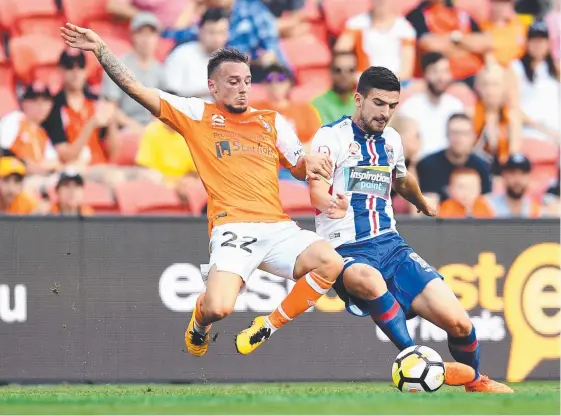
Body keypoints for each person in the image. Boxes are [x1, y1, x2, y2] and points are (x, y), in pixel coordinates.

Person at [60, 24, 343, 357]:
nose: (243, 89)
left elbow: (297, 166)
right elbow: (135, 87)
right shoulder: (197, 114)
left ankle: (266, 325)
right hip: (233, 228)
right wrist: (101, 50)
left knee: (331, 262)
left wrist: (310, 163)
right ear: (212, 86)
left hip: (277, 227)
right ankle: (199, 321)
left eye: (247, 82)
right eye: (233, 82)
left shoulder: (273, 121)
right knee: (219, 308)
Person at [309, 66, 513, 393]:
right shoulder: (331, 137)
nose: (385, 113)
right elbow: (315, 183)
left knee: (460, 322)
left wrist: (420, 201)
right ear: (358, 99)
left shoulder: (391, 140)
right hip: (346, 250)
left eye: (392, 106)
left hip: (392, 247)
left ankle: (475, 383)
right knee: (369, 279)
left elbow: (401, 180)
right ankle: (412, 355)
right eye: (378, 103)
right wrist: (326, 200)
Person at [102, 12, 167, 130]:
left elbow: (165, 108)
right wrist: (136, 128)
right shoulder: (117, 66)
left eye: (151, 33)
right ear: (132, 36)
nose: (146, 39)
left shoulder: (160, 70)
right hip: (124, 128)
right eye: (141, 33)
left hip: (153, 129)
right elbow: (110, 107)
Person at [405, 0, 492, 85]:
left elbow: (486, 42)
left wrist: (455, 38)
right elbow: (430, 45)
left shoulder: (461, 13)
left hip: (475, 75)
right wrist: (467, 46)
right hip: (443, 79)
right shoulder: (417, 15)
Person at [398, 53, 465, 159]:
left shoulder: (456, 106)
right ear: (425, 74)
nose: (441, 77)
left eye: (445, 71)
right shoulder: (410, 107)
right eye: (435, 71)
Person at [417, 113, 491, 202]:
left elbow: (486, 203)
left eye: (465, 133)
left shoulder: (482, 166)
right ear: (447, 134)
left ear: (473, 136)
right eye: (454, 133)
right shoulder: (428, 165)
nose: (459, 138)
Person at [335, 0, 416, 82]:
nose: (381, 2)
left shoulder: (404, 29)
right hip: (362, 82)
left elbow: (406, 72)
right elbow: (340, 52)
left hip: (394, 84)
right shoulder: (356, 24)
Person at [164, 8, 230, 101]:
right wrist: (209, 92)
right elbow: (169, 95)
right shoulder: (182, 54)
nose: (217, 39)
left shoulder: (230, 60)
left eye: (221, 33)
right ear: (200, 31)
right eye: (212, 32)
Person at [253, 64, 322, 151]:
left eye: (280, 79)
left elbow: (318, 139)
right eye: (269, 79)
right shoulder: (254, 110)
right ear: (263, 84)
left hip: (302, 157)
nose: (275, 84)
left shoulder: (306, 109)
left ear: (289, 83)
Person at [510, 21, 560, 141]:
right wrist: (540, 127)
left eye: (542, 40)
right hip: (528, 131)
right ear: (527, 43)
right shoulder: (516, 68)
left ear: (548, 44)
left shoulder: (555, 70)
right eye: (534, 40)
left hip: (556, 131)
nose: (538, 45)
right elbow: (513, 106)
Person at [0, 82, 59, 175]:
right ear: (23, 102)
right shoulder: (14, 120)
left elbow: (54, 162)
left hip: (36, 179)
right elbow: (2, 151)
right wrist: (25, 165)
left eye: (45, 101)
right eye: (35, 102)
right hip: (12, 176)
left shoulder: (42, 132)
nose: (41, 107)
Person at [312, 52, 358, 124]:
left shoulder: (362, 105)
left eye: (351, 70)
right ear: (330, 72)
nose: (344, 75)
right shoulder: (316, 105)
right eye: (338, 70)